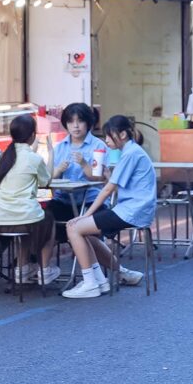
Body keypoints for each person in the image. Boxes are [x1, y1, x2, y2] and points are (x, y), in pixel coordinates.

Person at [64, 114, 153, 299]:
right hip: (133, 209)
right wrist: (107, 178)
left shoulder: (130, 154)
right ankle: (99, 280)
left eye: (108, 136)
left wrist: (85, 215)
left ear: (121, 135)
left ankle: (90, 283)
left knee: (73, 228)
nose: (106, 141)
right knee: (84, 231)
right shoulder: (132, 151)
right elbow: (114, 184)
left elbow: (107, 191)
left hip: (131, 211)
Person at [0, 112, 53, 284]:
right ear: (32, 135)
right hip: (23, 217)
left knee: (24, 223)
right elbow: (46, 181)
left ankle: (22, 269)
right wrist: (51, 153)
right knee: (48, 220)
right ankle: (45, 270)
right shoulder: (33, 158)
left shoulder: (4, 156)